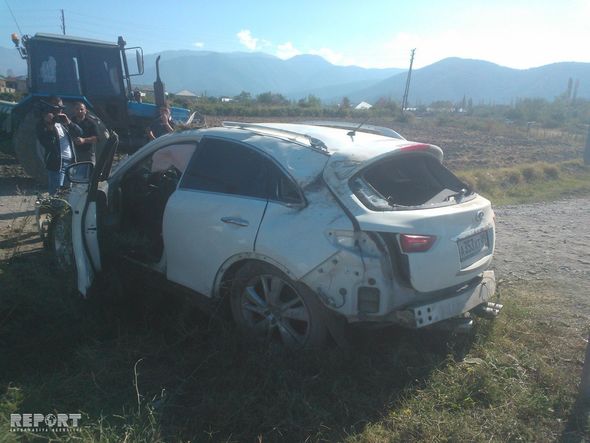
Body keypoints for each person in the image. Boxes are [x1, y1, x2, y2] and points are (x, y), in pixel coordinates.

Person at [36, 96, 82, 194]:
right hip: (57, 164)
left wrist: (69, 122)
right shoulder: (42, 124)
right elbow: (47, 143)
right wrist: (50, 126)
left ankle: (65, 209)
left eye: (61, 108)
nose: (60, 110)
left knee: (68, 192)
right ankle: (54, 209)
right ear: (50, 109)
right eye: (57, 108)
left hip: (70, 163)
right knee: (56, 192)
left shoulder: (63, 123)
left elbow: (79, 132)